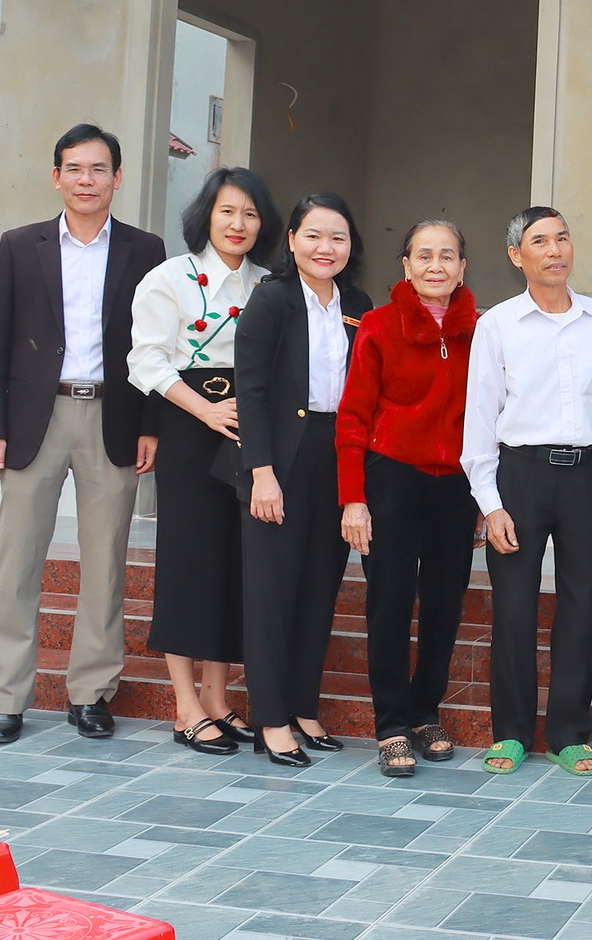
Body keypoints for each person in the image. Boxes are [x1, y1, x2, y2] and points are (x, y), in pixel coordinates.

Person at [0, 124, 165, 745]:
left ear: (117, 177)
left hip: (114, 417)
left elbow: (157, 344)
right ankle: (6, 698)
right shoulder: (19, 245)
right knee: (18, 561)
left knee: (106, 563)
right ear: (57, 177)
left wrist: (151, 425)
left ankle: (91, 693)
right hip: (35, 419)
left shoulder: (145, 250)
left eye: (99, 169)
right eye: (75, 169)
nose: (87, 180)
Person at [465, 207, 592, 779]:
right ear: (517, 256)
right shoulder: (498, 325)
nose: (555, 250)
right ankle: (511, 732)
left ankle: (568, 734)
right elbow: (480, 418)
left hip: (589, 477)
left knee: (583, 606)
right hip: (520, 477)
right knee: (514, 608)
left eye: (563, 238)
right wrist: (489, 503)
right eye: (540, 241)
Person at [129, 167, 280, 755]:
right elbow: (146, 361)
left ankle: (218, 699)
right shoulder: (169, 278)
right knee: (189, 561)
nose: (238, 224)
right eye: (227, 211)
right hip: (191, 426)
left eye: (250, 213)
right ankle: (185, 705)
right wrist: (206, 411)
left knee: (235, 561)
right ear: (206, 217)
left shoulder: (269, 284)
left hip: (250, 427)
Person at [234, 194, 375, 766]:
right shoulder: (271, 299)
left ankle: (302, 708)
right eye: (313, 235)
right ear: (291, 240)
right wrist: (262, 474)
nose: (326, 248)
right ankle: (271, 719)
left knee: (320, 588)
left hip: (336, 455)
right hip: (279, 461)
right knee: (273, 594)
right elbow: (250, 390)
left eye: (338, 237)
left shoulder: (358, 305)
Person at [336, 220, 479, 778]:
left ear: (462, 267)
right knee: (390, 603)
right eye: (424, 255)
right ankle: (391, 724)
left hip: (458, 484)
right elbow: (353, 417)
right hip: (392, 478)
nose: (435, 266)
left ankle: (425, 712)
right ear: (406, 265)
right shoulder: (378, 325)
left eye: (447, 255)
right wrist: (354, 498)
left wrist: (487, 497)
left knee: (445, 604)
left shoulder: (482, 330)